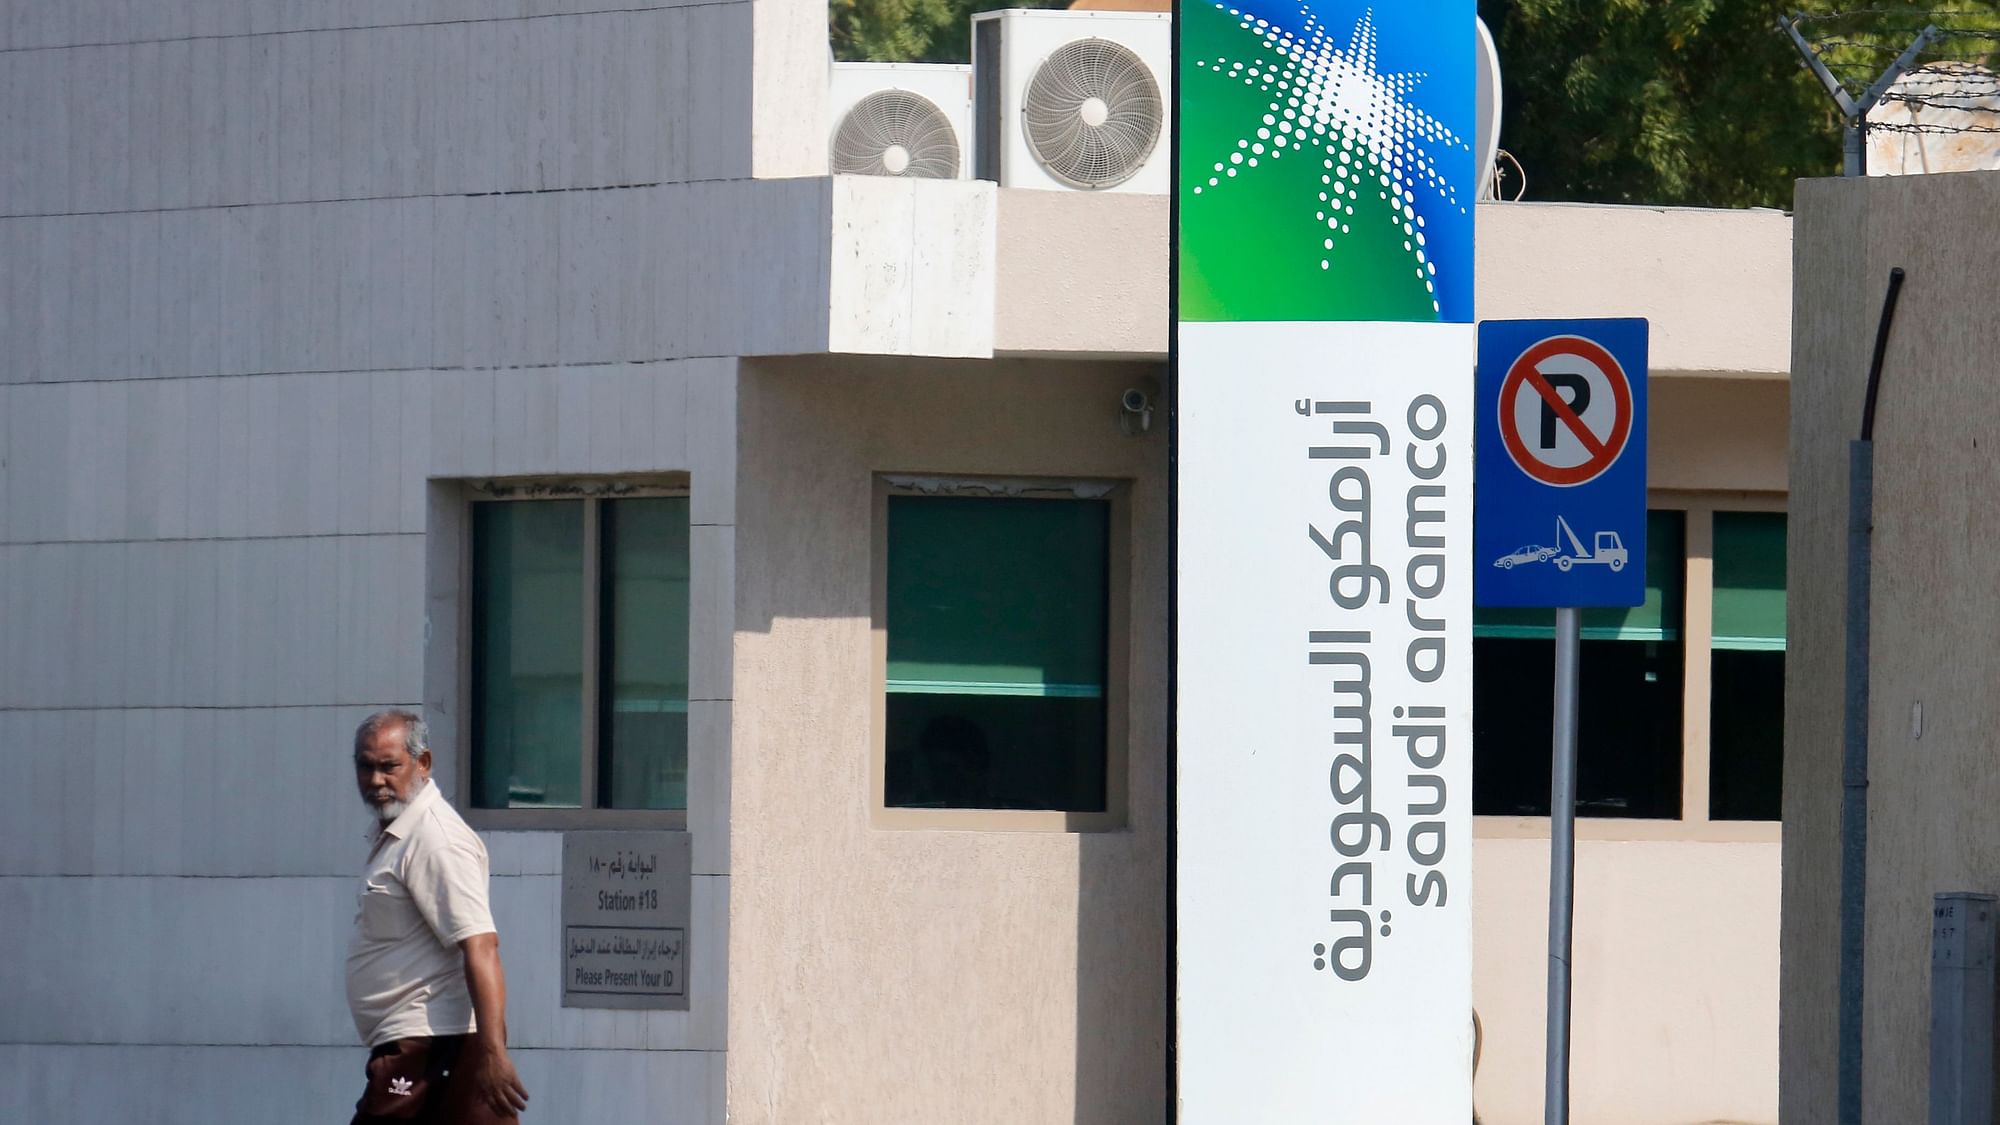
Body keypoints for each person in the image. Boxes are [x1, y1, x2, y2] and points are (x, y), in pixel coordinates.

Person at [347, 709, 530, 1123]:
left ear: (423, 763)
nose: (376, 780)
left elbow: (481, 945)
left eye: (389, 766)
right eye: (366, 766)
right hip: (421, 1042)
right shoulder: (400, 831)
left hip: (431, 1044)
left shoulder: (435, 837)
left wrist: (493, 1052)